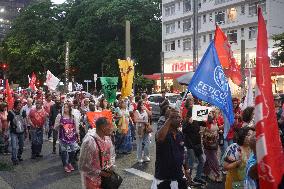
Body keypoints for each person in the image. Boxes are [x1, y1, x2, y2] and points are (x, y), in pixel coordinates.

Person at [151, 109, 190, 189]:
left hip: (178, 176)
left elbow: (183, 153)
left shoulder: (180, 134)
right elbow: (160, 138)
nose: (180, 119)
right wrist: (169, 119)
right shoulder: (163, 134)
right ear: (169, 119)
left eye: (180, 117)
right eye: (177, 117)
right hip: (163, 178)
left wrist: (186, 169)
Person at [79, 117, 115, 188]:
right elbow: (83, 165)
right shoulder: (90, 142)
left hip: (106, 179)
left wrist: (111, 166)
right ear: (103, 127)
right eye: (110, 126)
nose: (112, 128)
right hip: (92, 181)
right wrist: (100, 172)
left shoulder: (107, 139)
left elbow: (111, 155)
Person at [183, 108, 206, 185]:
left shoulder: (197, 119)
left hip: (197, 144)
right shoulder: (186, 121)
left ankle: (197, 177)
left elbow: (204, 123)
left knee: (202, 161)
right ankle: (188, 179)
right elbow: (184, 130)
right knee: (191, 162)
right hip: (190, 145)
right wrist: (189, 123)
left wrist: (208, 117)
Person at [54, 102, 80, 173]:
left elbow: (76, 126)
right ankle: (65, 165)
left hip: (72, 137)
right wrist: (60, 124)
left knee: (73, 151)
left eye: (67, 107)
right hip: (63, 137)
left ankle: (69, 162)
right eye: (64, 107)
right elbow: (55, 127)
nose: (65, 108)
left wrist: (78, 135)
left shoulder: (73, 116)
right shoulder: (60, 116)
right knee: (64, 152)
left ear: (69, 108)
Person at [203, 109, 222, 182]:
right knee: (214, 160)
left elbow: (216, 129)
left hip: (214, 144)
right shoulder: (206, 122)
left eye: (213, 112)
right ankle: (217, 175)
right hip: (209, 145)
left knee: (209, 159)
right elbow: (208, 130)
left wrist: (219, 130)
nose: (211, 114)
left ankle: (205, 173)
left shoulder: (215, 121)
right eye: (210, 112)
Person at [8, 99, 26, 165]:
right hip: (13, 132)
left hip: (21, 131)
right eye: (18, 105)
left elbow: (25, 121)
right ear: (15, 105)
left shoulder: (23, 112)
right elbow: (8, 122)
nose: (20, 106)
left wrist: (26, 130)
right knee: (14, 146)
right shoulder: (10, 112)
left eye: (21, 105)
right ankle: (14, 159)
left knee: (21, 146)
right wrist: (6, 131)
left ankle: (19, 156)